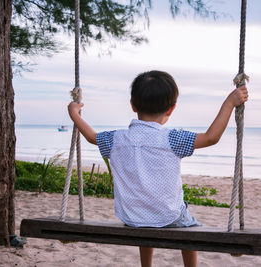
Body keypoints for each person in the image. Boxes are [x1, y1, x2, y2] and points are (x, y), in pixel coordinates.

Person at [68, 70, 248, 267]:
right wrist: (229, 103)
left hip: (131, 217)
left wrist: (73, 114)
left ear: (132, 105)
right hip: (167, 217)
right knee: (190, 228)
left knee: (147, 215)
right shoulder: (173, 139)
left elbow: (91, 136)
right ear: (171, 109)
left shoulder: (116, 139)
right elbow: (211, 137)